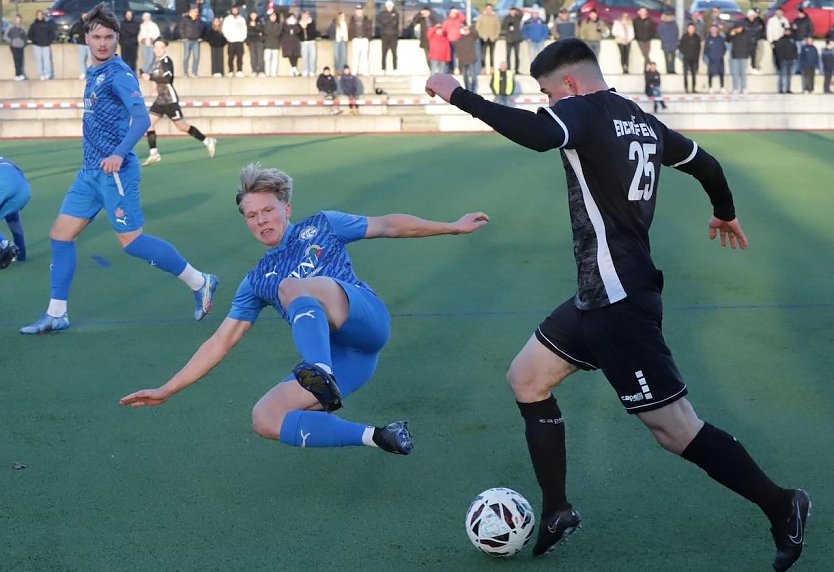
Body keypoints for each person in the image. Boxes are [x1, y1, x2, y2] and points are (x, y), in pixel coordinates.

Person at [425, 38, 810, 570]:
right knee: (526, 378)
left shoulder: (581, 111)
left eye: (549, 94)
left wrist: (456, 93)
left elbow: (537, 135)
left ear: (571, 86)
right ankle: (558, 508)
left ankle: (783, 503)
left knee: (676, 431)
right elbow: (707, 163)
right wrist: (723, 210)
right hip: (598, 294)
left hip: (620, 302)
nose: (549, 104)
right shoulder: (639, 119)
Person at [119, 163, 490, 459]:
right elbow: (221, 341)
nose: (262, 220)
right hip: (350, 359)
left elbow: (388, 225)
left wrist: (452, 228)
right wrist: (168, 389)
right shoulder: (255, 281)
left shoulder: (323, 225)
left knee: (293, 287)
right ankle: (378, 436)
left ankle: (320, 373)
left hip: (367, 320)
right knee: (265, 418)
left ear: (287, 209)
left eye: (268, 210)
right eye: (252, 215)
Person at [20, 3, 218, 335]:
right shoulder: (93, 70)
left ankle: (200, 281)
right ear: (87, 38)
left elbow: (141, 119)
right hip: (89, 174)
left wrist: (118, 153)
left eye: (109, 37)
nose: (102, 43)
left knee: (132, 242)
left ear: (117, 39)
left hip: (117, 173)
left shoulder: (119, 74)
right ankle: (57, 314)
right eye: (96, 36)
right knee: (60, 235)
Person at [141, 38, 218, 166]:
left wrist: (150, 78)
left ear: (165, 48)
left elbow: (167, 78)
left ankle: (208, 140)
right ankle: (154, 153)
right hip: (161, 100)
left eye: (161, 47)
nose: (158, 50)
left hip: (170, 100)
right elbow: (160, 78)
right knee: (148, 123)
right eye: (156, 47)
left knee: (182, 127)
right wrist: (155, 85)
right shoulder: (157, 62)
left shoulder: (166, 61)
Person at [0, 157, 30, 268]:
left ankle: (4, 244)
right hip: (24, 190)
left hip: (3, 181)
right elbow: (13, 219)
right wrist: (21, 253)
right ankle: (20, 253)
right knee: (11, 214)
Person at [28, 10, 56, 80]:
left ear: (43, 15)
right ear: (37, 16)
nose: (40, 16)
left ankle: (48, 74)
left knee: (47, 60)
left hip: (46, 45)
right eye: (38, 15)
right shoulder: (33, 25)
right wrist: (35, 40)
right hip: (37, 45)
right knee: (39, 60)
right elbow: (29, 35)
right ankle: (41, 74)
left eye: (41, 14)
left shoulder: (47, 24)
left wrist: (48, 41)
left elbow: (52, 34)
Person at [222, 5, 247, 77]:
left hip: (240, 41)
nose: (235, 11)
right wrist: (228, 37)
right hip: (231, 41)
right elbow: (224, 29)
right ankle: (230, 71)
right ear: (231, 10)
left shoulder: (241, 19)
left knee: (240, 57)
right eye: (233, 10)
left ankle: (239, 70)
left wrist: (242, 38)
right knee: (230, 57)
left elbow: (244, 29)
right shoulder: (227, 19)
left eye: (236, 10)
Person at [180, 6, 204, 78]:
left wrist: (200, 37)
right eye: (195, 11)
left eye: (197, 12)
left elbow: (202, 28)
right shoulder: (185, 19)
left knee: (196, 57)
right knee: (186, 57)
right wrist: (183, 37)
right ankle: (185, 72)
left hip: (196, 40)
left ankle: (194, 72)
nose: (197, 13)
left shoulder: (198, 20)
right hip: (187, 40)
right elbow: (181, 28)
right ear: (191, 12)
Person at [476, 3, 500, 74]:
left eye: (490, 9)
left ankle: (492, 69)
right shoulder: (481, 17)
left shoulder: (495, 18)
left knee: (492, 54)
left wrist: (495, 36)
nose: (489, 10)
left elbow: (498, 28)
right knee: (483, 55)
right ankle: (484, 69)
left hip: (492, 38)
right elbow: (478, 28)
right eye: (487, 9)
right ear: (485, 9)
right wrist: (482, 35)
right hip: (484, 38)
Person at [349, 5, 372, 76]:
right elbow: (350, 29)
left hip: (364, 39)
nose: (359, 11)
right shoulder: (352, 19)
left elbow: (369, 29)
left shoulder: (366, 19)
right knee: (355, 56)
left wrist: (368, 38)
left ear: (362, 11)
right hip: (356, 39)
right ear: (355, 11)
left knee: (365, 56)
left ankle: (365, 71)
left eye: (360, 9)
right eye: (357, 9)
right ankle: (355, 71)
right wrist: (352, 38)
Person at [378, 0, 400, 74]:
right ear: (386, 6)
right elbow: (382, 21)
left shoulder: (396, 13)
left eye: (391, 6)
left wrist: (389, 19)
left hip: (393, 35)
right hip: (384, 35)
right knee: (384, 53)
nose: (389, 7)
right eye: (388, 6)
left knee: (394, 53)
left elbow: (395, 23)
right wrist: (391, 18)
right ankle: (383, 69)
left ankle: (395, 68)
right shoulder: (382, 13)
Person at [4, 14, 28, 81]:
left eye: (19, 18)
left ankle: (21, 74)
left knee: (20, 60)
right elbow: (5, 36)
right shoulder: (10, 26)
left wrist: (24, 42)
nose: (18, 20)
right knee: (16, 60)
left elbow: (27, 36)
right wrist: (11, 41)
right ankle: (17, 74)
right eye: (16, 18)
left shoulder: (23, 27)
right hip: (13, 46)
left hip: (21, 46)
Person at [678, 23, 701, 93]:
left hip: (694, 59)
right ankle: (686, 88)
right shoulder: (684, 37)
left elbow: (698, 48)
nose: (691, 30)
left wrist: (696, 57)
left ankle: (693, 88)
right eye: (690, 28)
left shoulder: (697, 37)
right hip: (686, 58)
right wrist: (685, 53)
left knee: (694, 74)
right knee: (685, 74)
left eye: (692, 28)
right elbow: (680, 46)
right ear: (687, 29)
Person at [704, 24, 727, 93]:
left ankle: (722, 87)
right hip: (712, 59)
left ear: (717, 30)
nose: (713, 30)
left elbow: (724, 48)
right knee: (710, 73)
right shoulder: (708, 39)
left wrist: (721, 55)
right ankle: (710, 87)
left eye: (715, 29)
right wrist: (710, 56)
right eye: (712, 29)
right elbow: (706, 50)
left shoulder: (721, 38)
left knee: (721, 73)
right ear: (710, 30)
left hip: (720, 59)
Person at [774, 27, 797, 93]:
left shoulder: (792, 40)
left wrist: (795, 58)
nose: (788, 32)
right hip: (784, 61)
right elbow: (778, 51)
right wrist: (781, 59)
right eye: (786, 31)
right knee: (783, 76)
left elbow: (795, 49)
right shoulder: (781, 40)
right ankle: (781, 89)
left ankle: (788, 89)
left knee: (789, 76)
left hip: (791, 60)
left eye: (789, 31)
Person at [69, 12, 92, 79]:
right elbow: (72, 31)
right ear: (81, 16)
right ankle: (83, 73)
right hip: (82, 44)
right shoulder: (78, 24)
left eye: (86, 16)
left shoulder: (91, 24)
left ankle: (91, 74)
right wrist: (74, 38)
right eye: (84, 16)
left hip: (90, 44)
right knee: (82, 60)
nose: (85, 17)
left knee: (91, 60)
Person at [502, 6, 523, 74]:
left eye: (514, 10)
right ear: (509, 11)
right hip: (509, 39)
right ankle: (508, 69)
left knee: (517, 55)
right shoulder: (506, 18)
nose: (512, 12)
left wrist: (517, 9)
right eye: (511, 10)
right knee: (508, 55)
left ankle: (516, 70)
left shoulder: (518, 17)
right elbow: (503, 26)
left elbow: (522, 13)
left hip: (517, 39)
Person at [246, 11, 266, 77]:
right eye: (252, 14)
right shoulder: (247, 22)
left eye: (255, 14)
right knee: (253, 56)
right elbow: (248, 32)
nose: (253, 16)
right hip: (251, 41)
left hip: (259, 41)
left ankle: (261, 71)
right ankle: (254, 71)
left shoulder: (260, 21)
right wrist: (257, 33)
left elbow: (263, 30)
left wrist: (255, 26)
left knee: (260, 56)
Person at [263, 11, 282, 78]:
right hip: (267, 44)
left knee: (275, 60)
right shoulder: (266, 24)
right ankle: (267, 73)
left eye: (274, 16)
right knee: (267, 59)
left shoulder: (278, 24)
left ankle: (274, 73)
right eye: (272, 16)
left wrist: (271, 33)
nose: (273, 17)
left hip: (276, 44)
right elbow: (266, 32)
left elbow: (278, 33)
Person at [299, 11, 317, 77]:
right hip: (303, 43)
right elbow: (299, 34)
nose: (305, 17)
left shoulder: (312, 23)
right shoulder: (299, 24)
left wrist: (306, 26)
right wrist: (302, 27)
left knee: (312, 57)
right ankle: (305, 70)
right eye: (303, 16)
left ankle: (312, 71)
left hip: (311, 42)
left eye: (306, 16)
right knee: (305, 57)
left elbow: (312, 32)